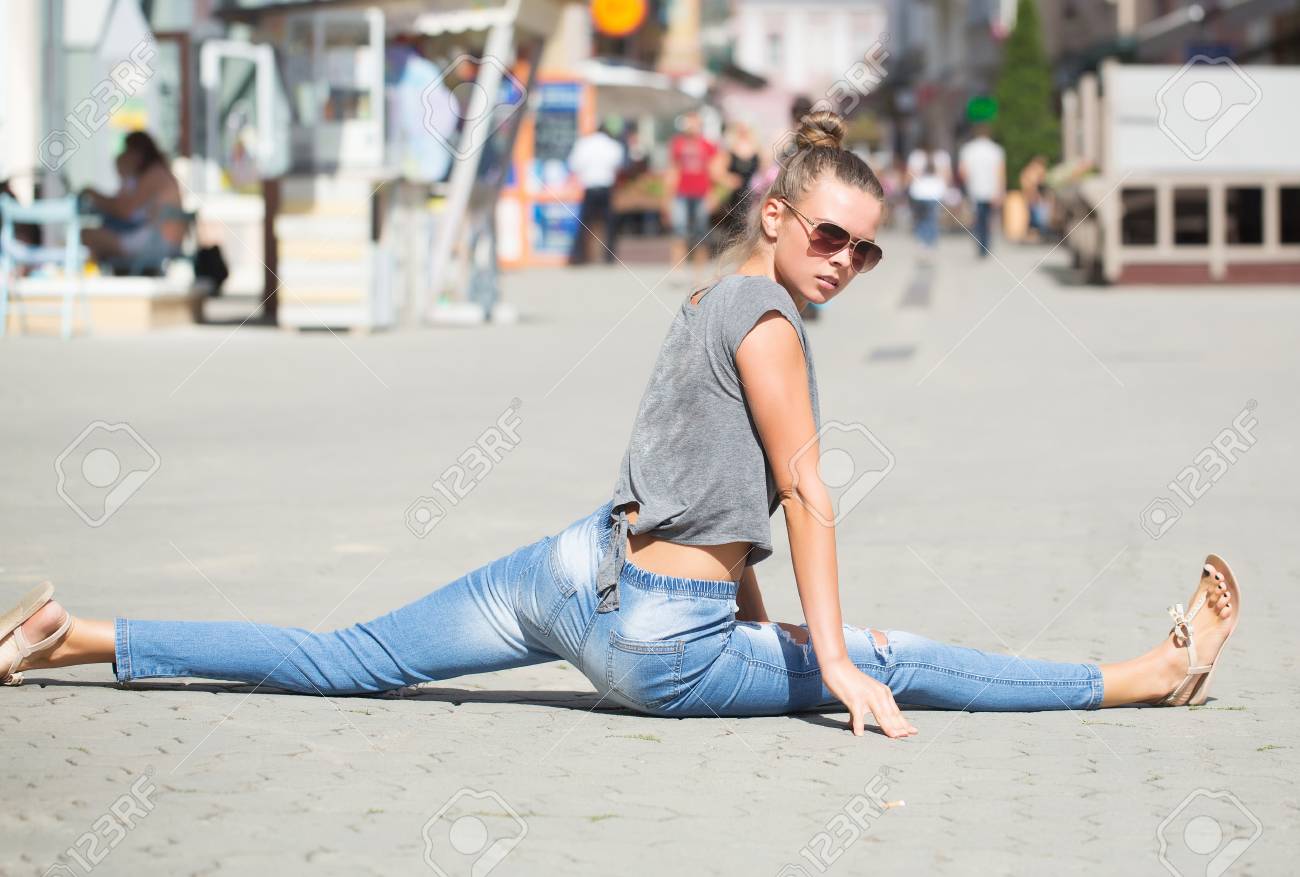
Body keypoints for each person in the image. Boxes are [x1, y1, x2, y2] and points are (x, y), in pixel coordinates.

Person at [1, 111, 1243, 739]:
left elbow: (715, 497)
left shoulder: (706, 296)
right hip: (661, 649)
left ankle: (71, 637)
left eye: (865, 249)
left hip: (568, 577)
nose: (847, 262)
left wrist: (778, 628)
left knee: (349, 659)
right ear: (775, 216)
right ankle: (1143, 675)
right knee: (899, 649)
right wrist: (841, 665)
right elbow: (804, 493)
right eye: (830, 237)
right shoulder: (767, 321)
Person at [79, 131, 185, 272]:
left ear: (138, 153)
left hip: (156, 242)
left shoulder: (154, 174)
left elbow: (124, 210)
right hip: (158, 238)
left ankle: (92, 278)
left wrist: (92, 192)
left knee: (87, 235)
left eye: (128, 151)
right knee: (103, 230)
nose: (125, 155)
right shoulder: (159, 172)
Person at [566, 120, 626, 265]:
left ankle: (579, 256)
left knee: (584, 224)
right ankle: (609, 257)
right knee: (609, 225)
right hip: (606, 187)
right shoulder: (613, 145)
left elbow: (574, 164)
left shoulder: (584, 143)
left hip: (589, 187)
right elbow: (619, 165)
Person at [664, 110, 718, 268]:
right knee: (679, 230)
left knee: (701, 232)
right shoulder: (678, 143)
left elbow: (713, 171)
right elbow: (673, 170)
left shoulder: (707, 145)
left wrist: (712, 194)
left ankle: (699, 272)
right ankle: (677, 268)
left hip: (701, 193)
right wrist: (667, 197)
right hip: (681, 192)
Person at [710, 119, 760, 258]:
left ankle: (747, 255)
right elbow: (714, 170)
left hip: (753, 194)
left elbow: (765, 170)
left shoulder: (756, 148)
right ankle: (733, 255)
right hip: (735, 195)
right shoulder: (729, 150)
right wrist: (728, 179)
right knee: (734, 227)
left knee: (751, 226)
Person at [957, 122, 1006, 258]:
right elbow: (1000, 172)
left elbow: (962, 172)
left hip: (974, 189)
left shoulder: (968, 149)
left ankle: (980, 246)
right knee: (988, 220)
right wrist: (1000, 191)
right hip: (991, 190)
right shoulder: (996, 150)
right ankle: (986, 246)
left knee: (978, 219)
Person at [907, 149, 946, 251]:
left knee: (921, 219)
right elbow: (946, 175)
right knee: (932, 219)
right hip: (935, 192)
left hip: (919, 192)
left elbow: (910, 175)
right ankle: (930, 243)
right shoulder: (942, 156)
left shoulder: (915, 156)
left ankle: (923, 242)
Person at [1020, 154, 1050, 242]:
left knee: (1032, 216)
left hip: (1030, 197)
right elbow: (1033, 185)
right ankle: (1036, 235)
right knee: (1035, 217)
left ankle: (1032, 235)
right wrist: (1036, 196)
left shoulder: (1029, 170)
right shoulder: (1035, 170)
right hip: (1032, 197)